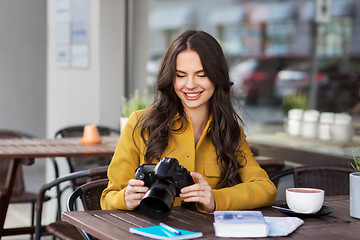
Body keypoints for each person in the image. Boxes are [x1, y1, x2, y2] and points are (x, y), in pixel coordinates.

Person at [100, 30, 277, 213]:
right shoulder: (140, 124)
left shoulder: (230, 131)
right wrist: (126, 198)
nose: (190, 84)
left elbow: (266, 188)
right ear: (170, 78)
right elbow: (107, 198)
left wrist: (214, 199)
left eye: (201, 75)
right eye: (181, 75)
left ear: (217, 76)